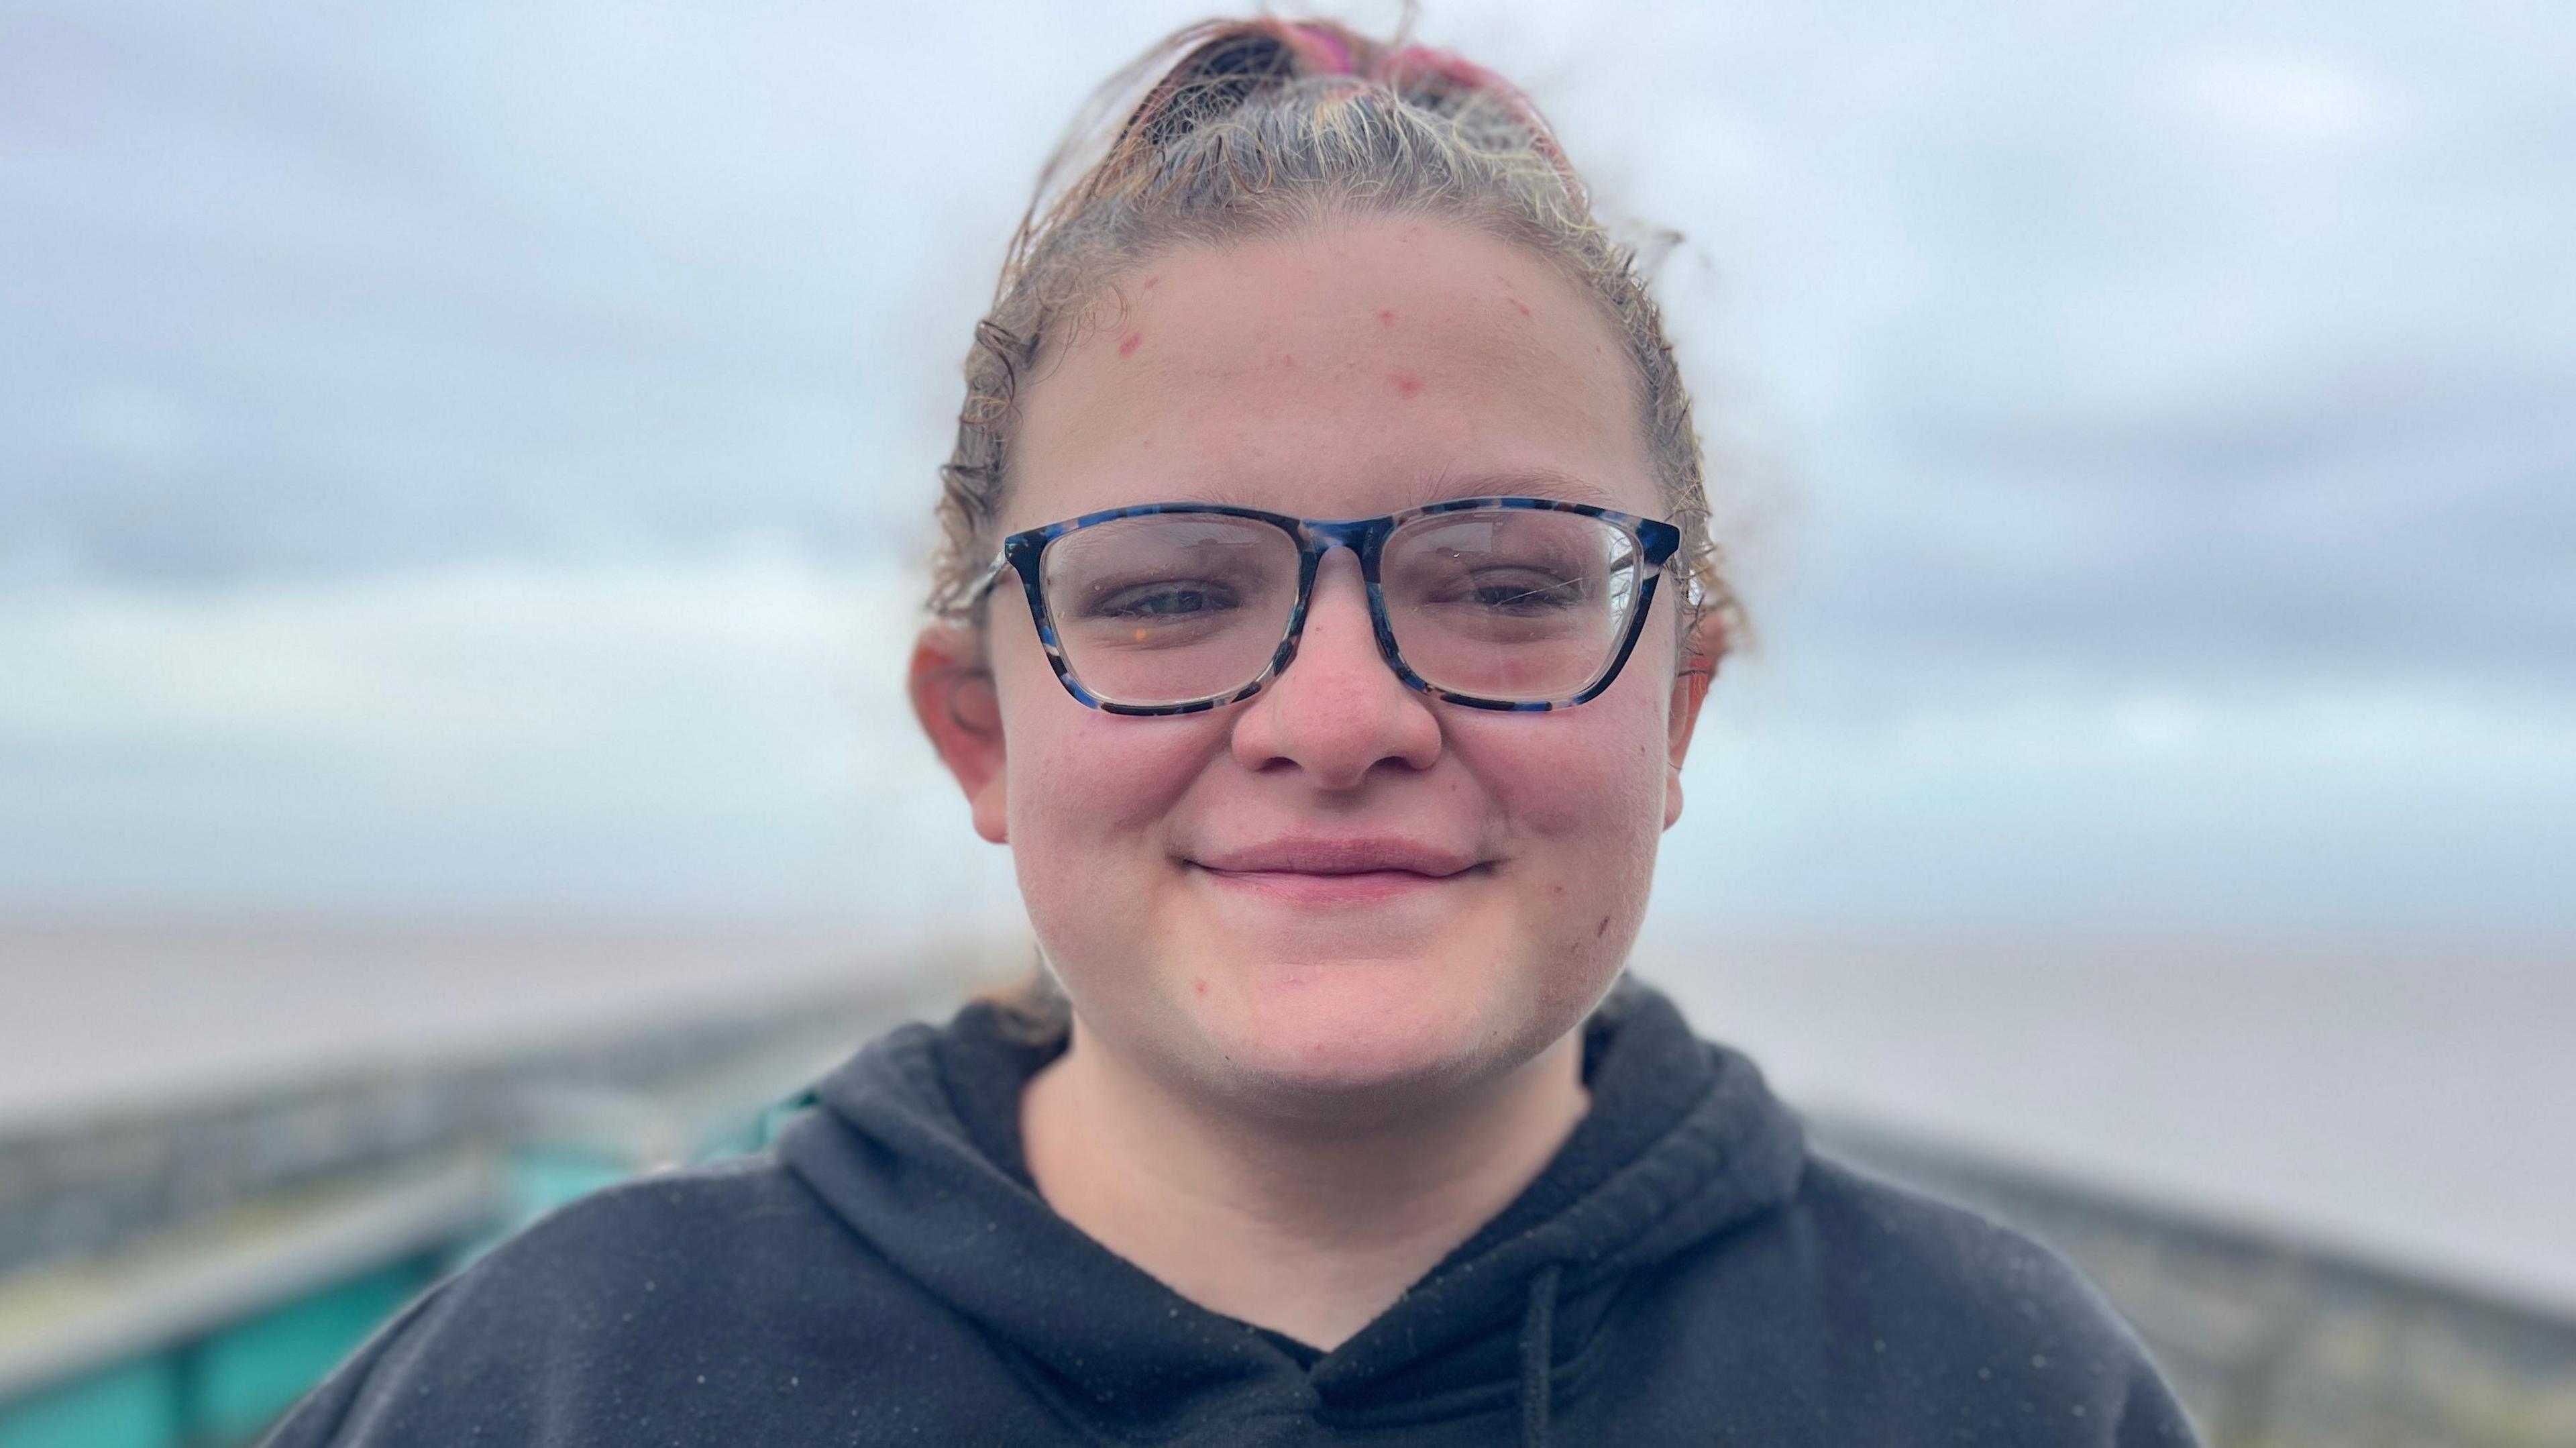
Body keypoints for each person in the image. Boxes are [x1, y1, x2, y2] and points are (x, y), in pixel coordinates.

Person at [266, 16, 2200, 1447]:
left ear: (1674, 705)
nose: (1341, 715)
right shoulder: (555, 1391)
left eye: (1510, 584)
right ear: (982, 735)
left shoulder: (2000, 1390)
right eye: (1170, 593)